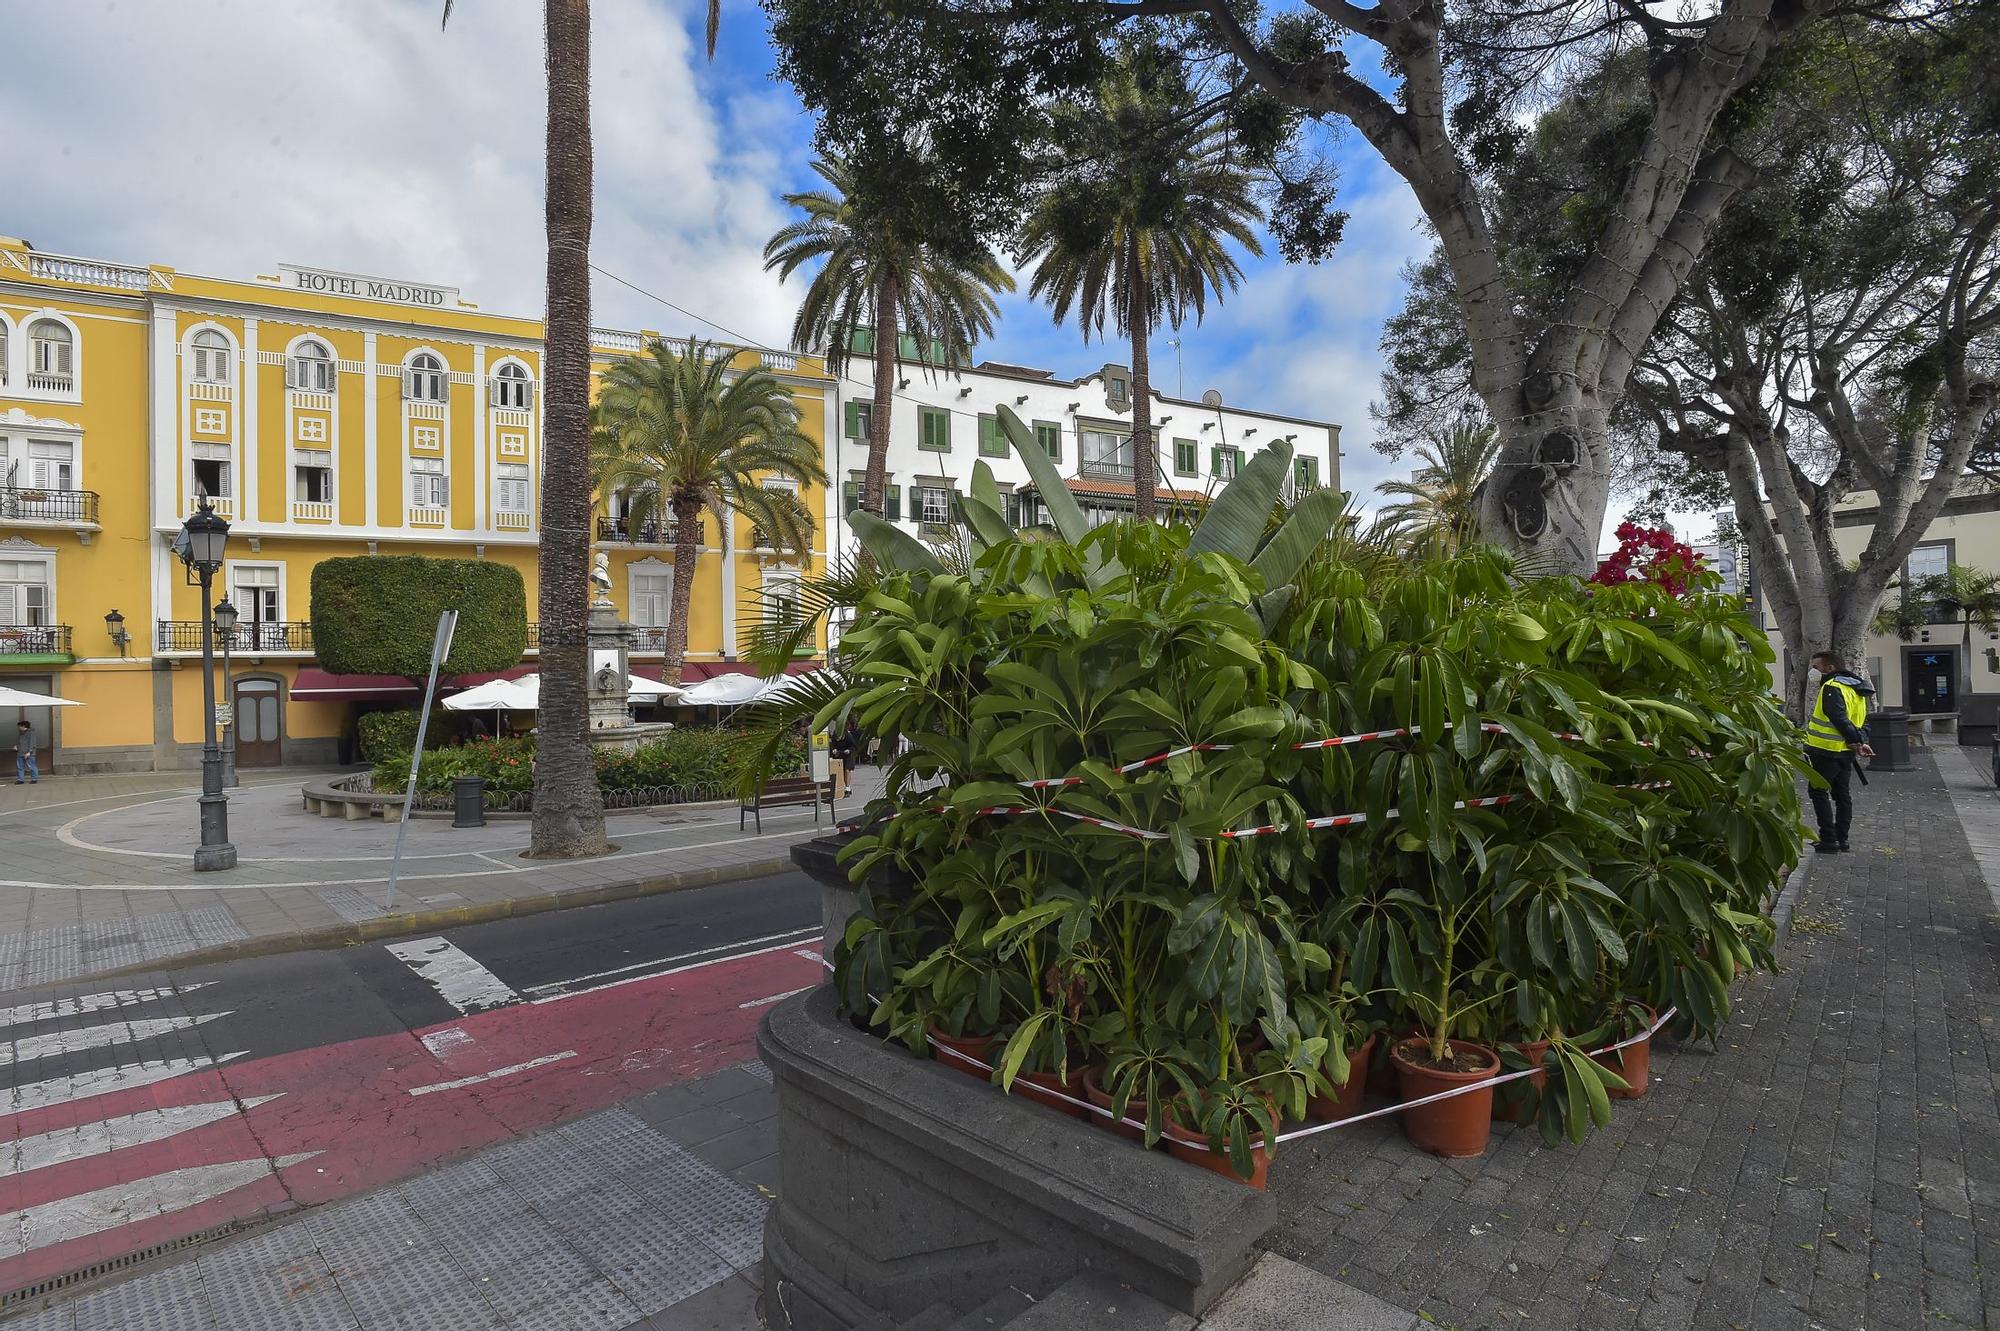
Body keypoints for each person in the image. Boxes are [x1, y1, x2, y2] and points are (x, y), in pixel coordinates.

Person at [1803, 650, 1875, 852]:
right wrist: (1860, 741)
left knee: (1818, 791)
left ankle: (1828, 839)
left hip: (1826, 751)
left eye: (1816, 667)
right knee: (1842, 795)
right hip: (1845, 753)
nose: (1813, 671)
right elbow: (1865, 719)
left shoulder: (1831, 687)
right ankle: (1841, 838)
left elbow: (1838, 717)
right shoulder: (1855, 688)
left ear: (1830, 668)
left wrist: (1855, 740)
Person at [14, 720, 37, 785]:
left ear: (23, 726)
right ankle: (20, 780)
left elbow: (32, 743)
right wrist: (17, 746)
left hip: (29, 753)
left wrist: (29, 752)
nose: (18, 727)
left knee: (32, 766)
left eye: (19, 726)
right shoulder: (20, 733)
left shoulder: (31, 733)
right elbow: (20, 743)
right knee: (20, 767)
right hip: (20, 753)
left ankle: (34, 779)